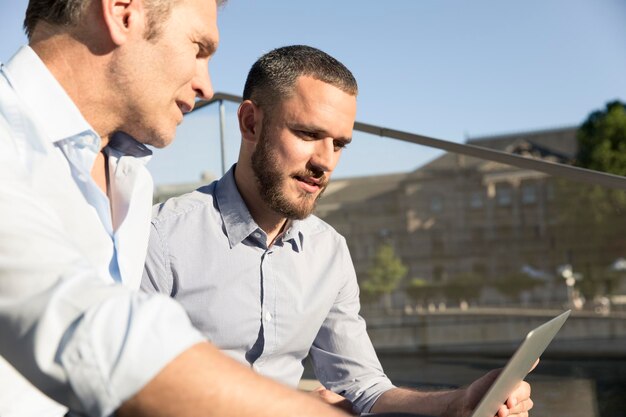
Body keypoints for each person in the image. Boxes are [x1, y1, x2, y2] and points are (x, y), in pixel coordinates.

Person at [0, 2, 353, 417]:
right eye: (199, 48)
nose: (206, 85)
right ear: (121, 12)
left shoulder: (130, 177)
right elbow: (96, 337)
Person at [142, 45, 535, 417]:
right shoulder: (160, 237)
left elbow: (364, 387)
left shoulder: (327, 250)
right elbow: (135, 391)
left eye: (340, 144)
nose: (325, 162)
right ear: (249, 123)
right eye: (308, 134)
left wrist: (460, 403)